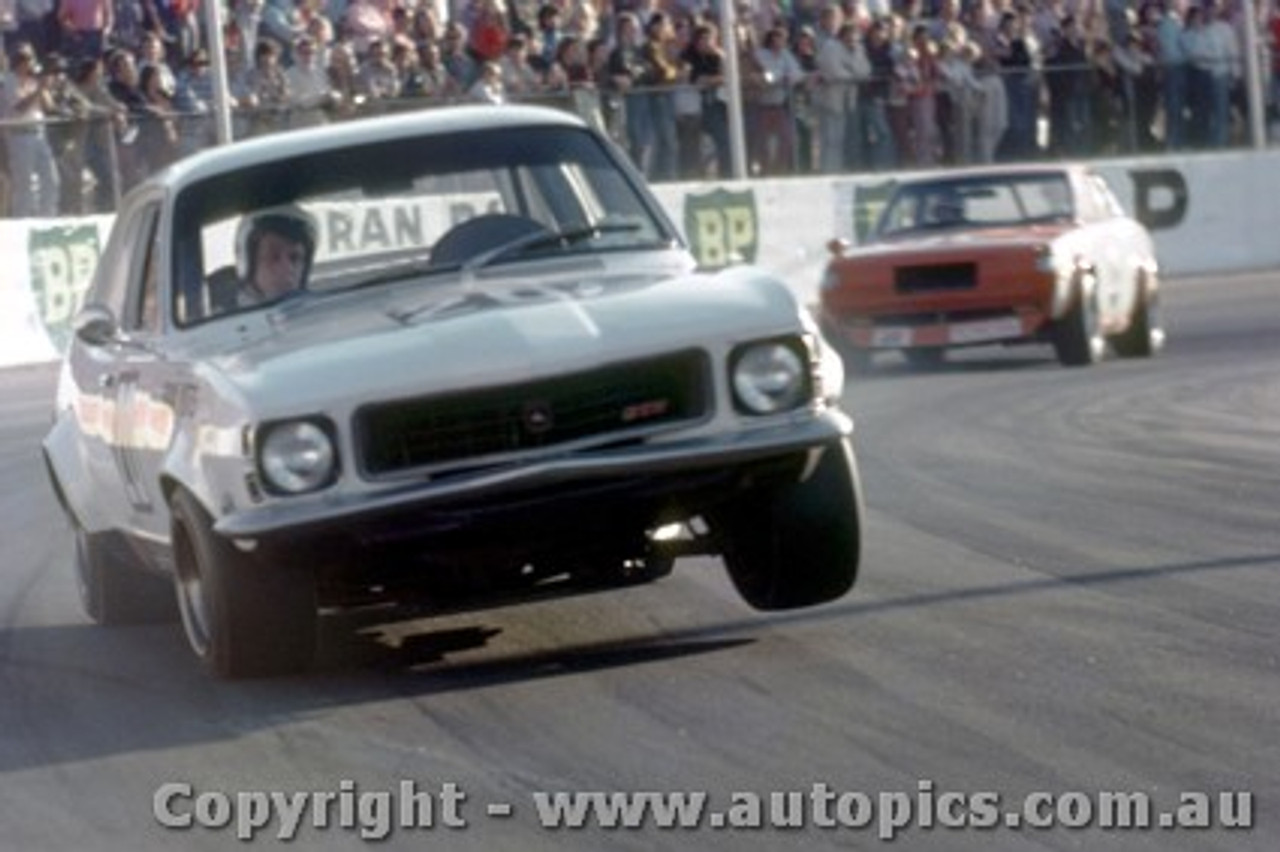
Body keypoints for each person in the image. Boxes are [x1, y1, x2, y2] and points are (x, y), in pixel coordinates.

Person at [228, 205, 318, 308]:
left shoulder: (320, 315)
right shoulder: (225, 320)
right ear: (247, 263)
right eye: (274, 257)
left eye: (295, 258)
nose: (287, 268)